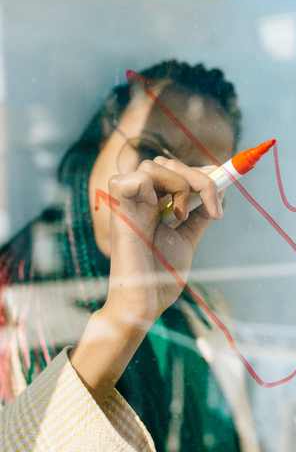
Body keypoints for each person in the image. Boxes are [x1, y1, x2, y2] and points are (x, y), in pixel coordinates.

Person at [0, 61, 254, 451]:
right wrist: (124, 318)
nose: (166, 187)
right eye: (148, 150)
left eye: (199, 178)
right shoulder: (9, 295)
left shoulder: (209, 318)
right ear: (104, 134)